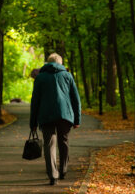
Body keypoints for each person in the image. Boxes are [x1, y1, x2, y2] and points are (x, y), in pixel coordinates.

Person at [30, 53, 81, 185]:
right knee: (63, 142)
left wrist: (33, 123)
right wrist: (77, 120)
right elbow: (76, 99)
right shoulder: (67, 75)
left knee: (49, 144)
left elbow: (35, 101)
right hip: (65, 115)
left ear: (48, 63)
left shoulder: (40, 77)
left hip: (46, 115)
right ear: (60, 63)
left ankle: (53, 175)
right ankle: (63, 170)